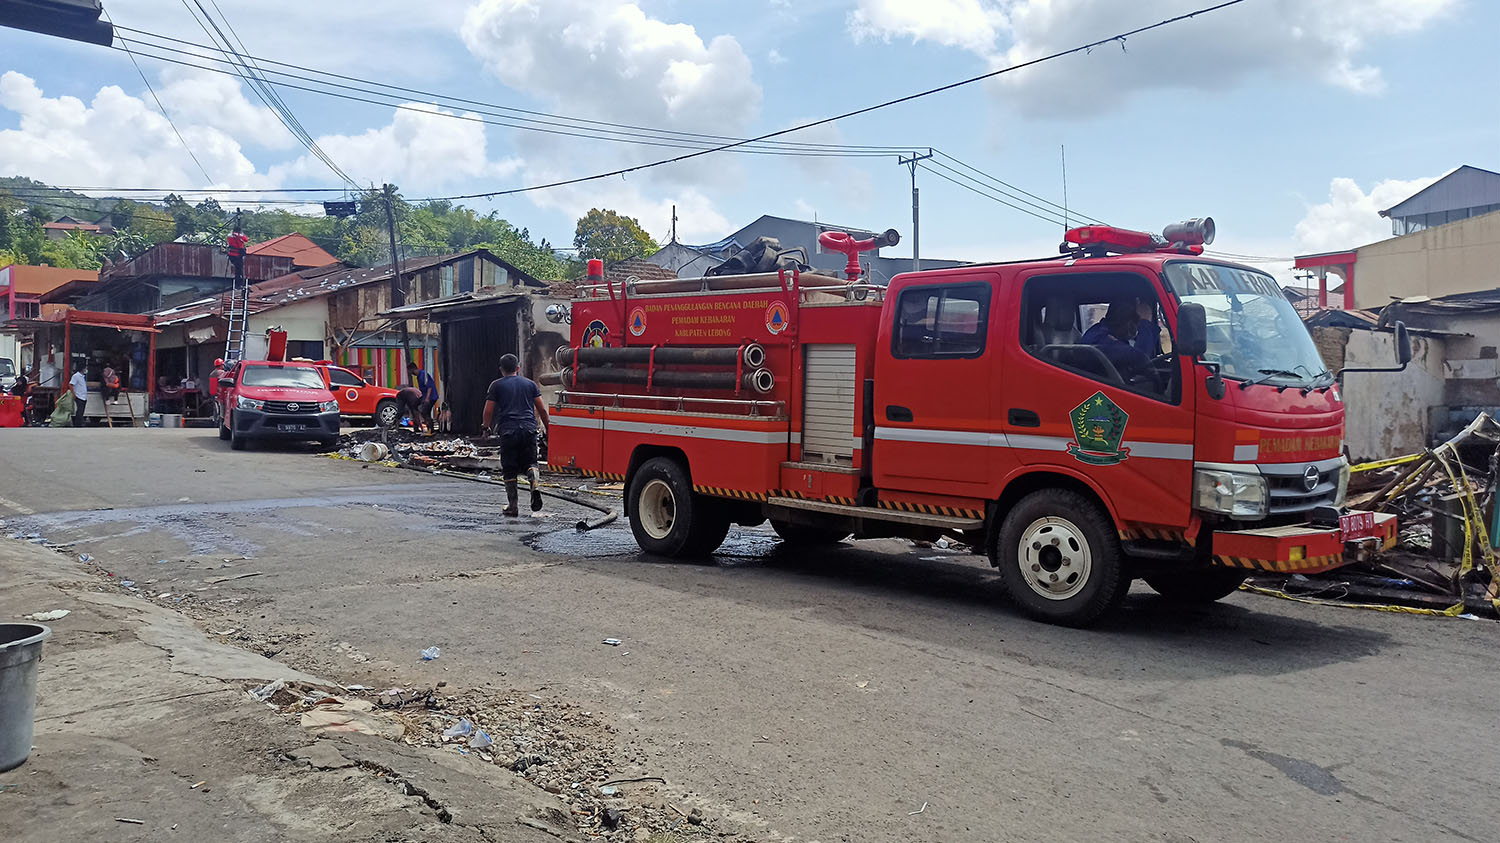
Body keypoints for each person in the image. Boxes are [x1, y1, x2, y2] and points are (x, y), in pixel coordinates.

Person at [482, 353, 550, 517]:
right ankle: (533, 479)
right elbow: (541, 409)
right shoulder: (530, 384)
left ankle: (513, 506)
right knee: (531, 462)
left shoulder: (496, 385)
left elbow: (488, 410)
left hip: (508, 430)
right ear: (518, 368)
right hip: (528, 429)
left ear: (501, 370)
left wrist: (485, 427)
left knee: (510, 468)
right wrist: (549, 429)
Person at [1081, 300, 1155, 380]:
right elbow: (1142, 359)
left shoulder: (1105, 331)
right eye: (1137, 325)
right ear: (1130, 324)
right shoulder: (1099, 338)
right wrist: (1145, 324)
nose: (1137, 330)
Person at [408, 362, 438, 434]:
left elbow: (429, 387)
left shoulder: (423, 375)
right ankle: (425, 428)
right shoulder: (419, 376)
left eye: (410, 371)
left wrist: (427, 398)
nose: (411, 373)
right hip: (426, 396)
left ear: (413, 369)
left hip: (431, 397)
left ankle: (430, 430)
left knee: (425, 412)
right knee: (419, 409)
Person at [69, 363, 88, 427]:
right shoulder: (76, 376)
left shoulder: (83, 376)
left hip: (83, 396)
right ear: (82, 369)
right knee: (79, 410)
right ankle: (77, 423)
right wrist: (74, 394)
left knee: (82, 410)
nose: (86, 369)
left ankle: (80, 422)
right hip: (79, 396)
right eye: (85, 368)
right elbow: (71, 385)